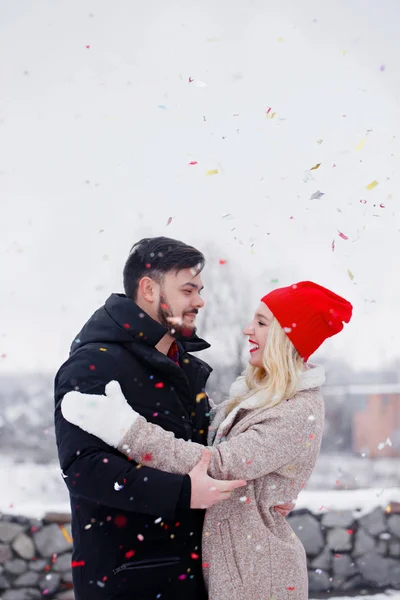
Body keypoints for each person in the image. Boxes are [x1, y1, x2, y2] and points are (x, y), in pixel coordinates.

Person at [62, 280, 353, 600]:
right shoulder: (261, 398)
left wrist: (126, 430)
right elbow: (209, 438)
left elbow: (218, 464)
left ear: (286, 337)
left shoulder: (297, 410)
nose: (247, 329)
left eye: (261, 322)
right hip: (233, 569)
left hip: (258, 580)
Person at [54, 236, 293, 600]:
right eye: (188, 289)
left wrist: (259, 494)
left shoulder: (184, 368)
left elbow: (209, 459)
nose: (200, 301)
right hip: (129, 580)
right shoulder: (95, 365)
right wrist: (183, 493)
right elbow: (83, 470)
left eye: (199, 290)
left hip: (195, 576)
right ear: (149, 289)